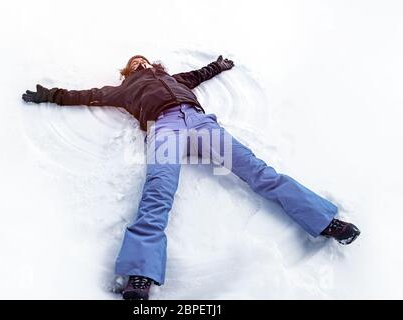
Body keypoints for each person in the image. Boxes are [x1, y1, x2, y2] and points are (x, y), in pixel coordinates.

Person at [22, 54, 360, 300]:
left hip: (201, 124)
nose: (140, 64)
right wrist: (51, 95)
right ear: (128, 72)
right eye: (134, 63)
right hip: (165, 129)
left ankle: (325, 221)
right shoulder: (124, 91)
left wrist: (218, 66)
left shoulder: (175, 79)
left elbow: (199, 74)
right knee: (159, 191)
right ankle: (140, 274)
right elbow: (87, 95)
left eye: (143, 61)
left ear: (155, 65)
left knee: (258, 172)